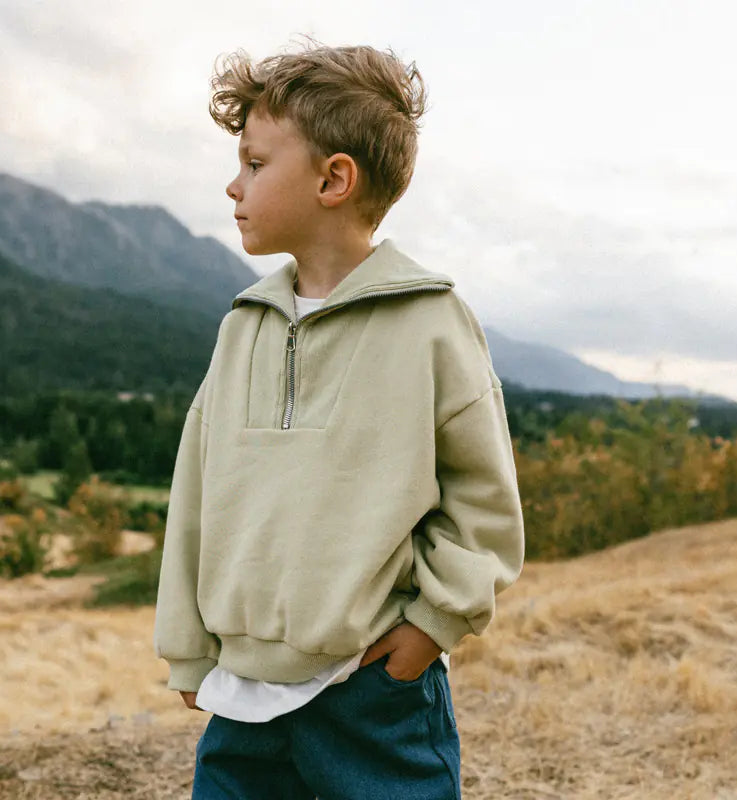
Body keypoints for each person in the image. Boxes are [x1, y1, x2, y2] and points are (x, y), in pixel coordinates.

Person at [153, 37, 525, 800]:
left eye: (255, 164)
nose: (233, 185)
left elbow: (484, 502)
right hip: (242, 698)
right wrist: (187, 652)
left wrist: (431, 629)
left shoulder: (432, 322)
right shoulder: (240, 329)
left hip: (374, 698)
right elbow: (195, 496)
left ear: (334, 178)